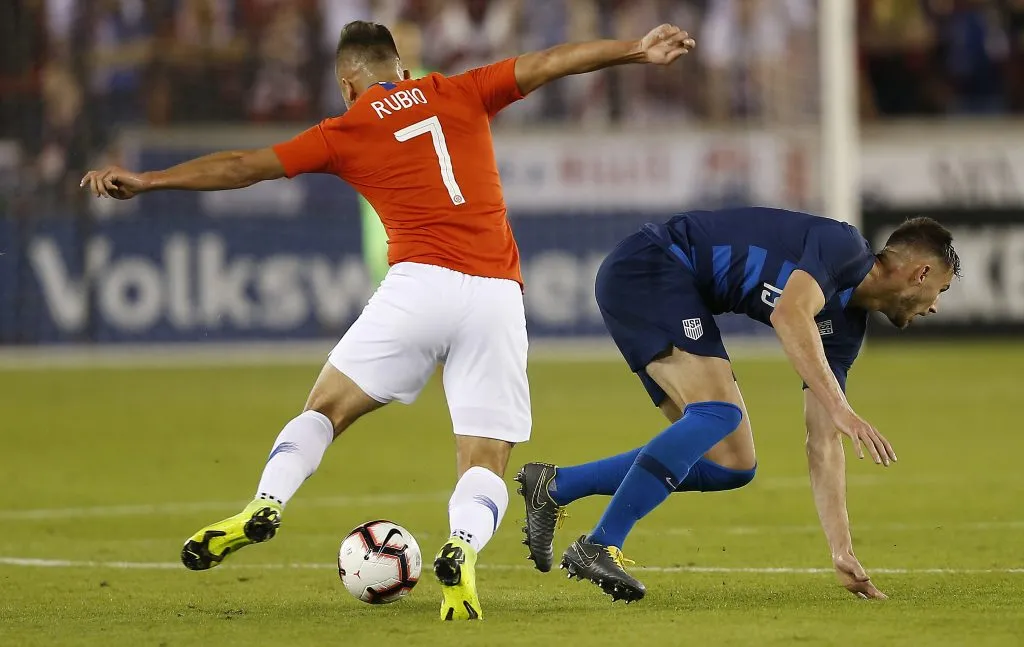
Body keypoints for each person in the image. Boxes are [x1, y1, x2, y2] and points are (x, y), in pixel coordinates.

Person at [80, 20, 696, 621]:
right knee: (485, 462)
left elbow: (245, 164)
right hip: (495, 296)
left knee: (324, 411)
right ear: (403, 68)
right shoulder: (461, 88)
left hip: (417, 288)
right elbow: (550, 61)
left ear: (348, 85)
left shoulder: (344, 128)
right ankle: (460, 550)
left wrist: (151, 180)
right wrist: (633, 51)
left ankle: (266, 502)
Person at [515, 208, 959, 603]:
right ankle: (600, 544)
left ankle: (554, 486)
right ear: (919, 274)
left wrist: (841, 549)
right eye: (939, 289)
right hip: (651, 265)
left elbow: (823, 442)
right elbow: (790, 314)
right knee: (718, 414)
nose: (934, 306)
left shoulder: (844, 327)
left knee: (731, 463)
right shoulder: (846, 247)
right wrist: (842, 407)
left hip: (663, 285)